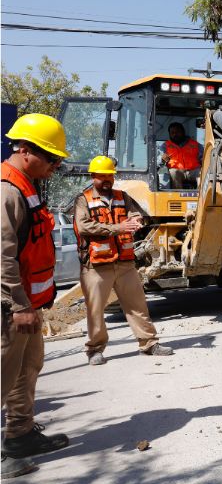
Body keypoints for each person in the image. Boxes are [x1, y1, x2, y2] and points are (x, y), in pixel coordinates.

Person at [1, 113, 70, 479]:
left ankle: (20, 436)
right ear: (26, 151)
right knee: (3, 376)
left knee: (25, 373)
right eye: (52, 158)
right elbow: (2, 257)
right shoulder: (7, 190)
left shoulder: (26, 185)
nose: (56, 166)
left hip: (28, 307)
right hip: (12, 309)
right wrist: (18, 306)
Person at [74, 156, 173, 366]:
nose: (107, 180)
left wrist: (136, 220)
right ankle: (95, 350)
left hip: (125, 263)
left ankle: (149, 344)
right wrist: (117, 228)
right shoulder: (83, 200)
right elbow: (84, 227)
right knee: (95, 310)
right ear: (93, 177)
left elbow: (137, 214)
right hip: (96, 265)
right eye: (102, 176)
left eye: (110, 175)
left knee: (137, 306)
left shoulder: (123, 196)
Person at [161, 122, 203, 189]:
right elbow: (158, 160)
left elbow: (204, 158)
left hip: (194, 171)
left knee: (203, 172)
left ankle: (201, 195)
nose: (175, 134)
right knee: (173, 172)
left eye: (177, 132)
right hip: (178, 172)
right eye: (172, 133)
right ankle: (177, 195)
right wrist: (162, 159)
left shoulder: (195, 144)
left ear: (183, 132)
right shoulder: (165, 145)